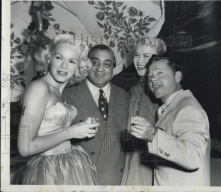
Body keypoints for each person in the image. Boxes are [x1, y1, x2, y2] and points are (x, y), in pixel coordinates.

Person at [15, 34, 99, 185]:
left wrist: (80, 128)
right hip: (49, 172)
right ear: (49, 58)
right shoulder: (39, 88)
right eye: (59, 58)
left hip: (68, 164)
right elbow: (25, 147)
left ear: (78, 66)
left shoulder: (58, 91)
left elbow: (51, 129)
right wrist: (71, 132)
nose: (64, 66)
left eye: (72, 61)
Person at [131, 56, 210, 186]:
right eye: (150, 76)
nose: (153, 79)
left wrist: (152, 134)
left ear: (178, 77)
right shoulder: (172, 107)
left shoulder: (188, 107)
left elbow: (193, 158)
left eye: (160, 73)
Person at [63, 44, 130, 185]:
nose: (100, 69)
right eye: (95, 63)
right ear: (86, 64)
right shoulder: (66, 94)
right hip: (80, 178)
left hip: (116, 179)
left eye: (107, 64)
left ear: (113, 68)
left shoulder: (125, 96)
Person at [121, 38, 167, 185]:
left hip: (152, 160)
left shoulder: (163, 90)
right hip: (130, 157)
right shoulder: (134, 89)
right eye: (137, 54)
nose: (139, 61)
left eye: (146, 56)